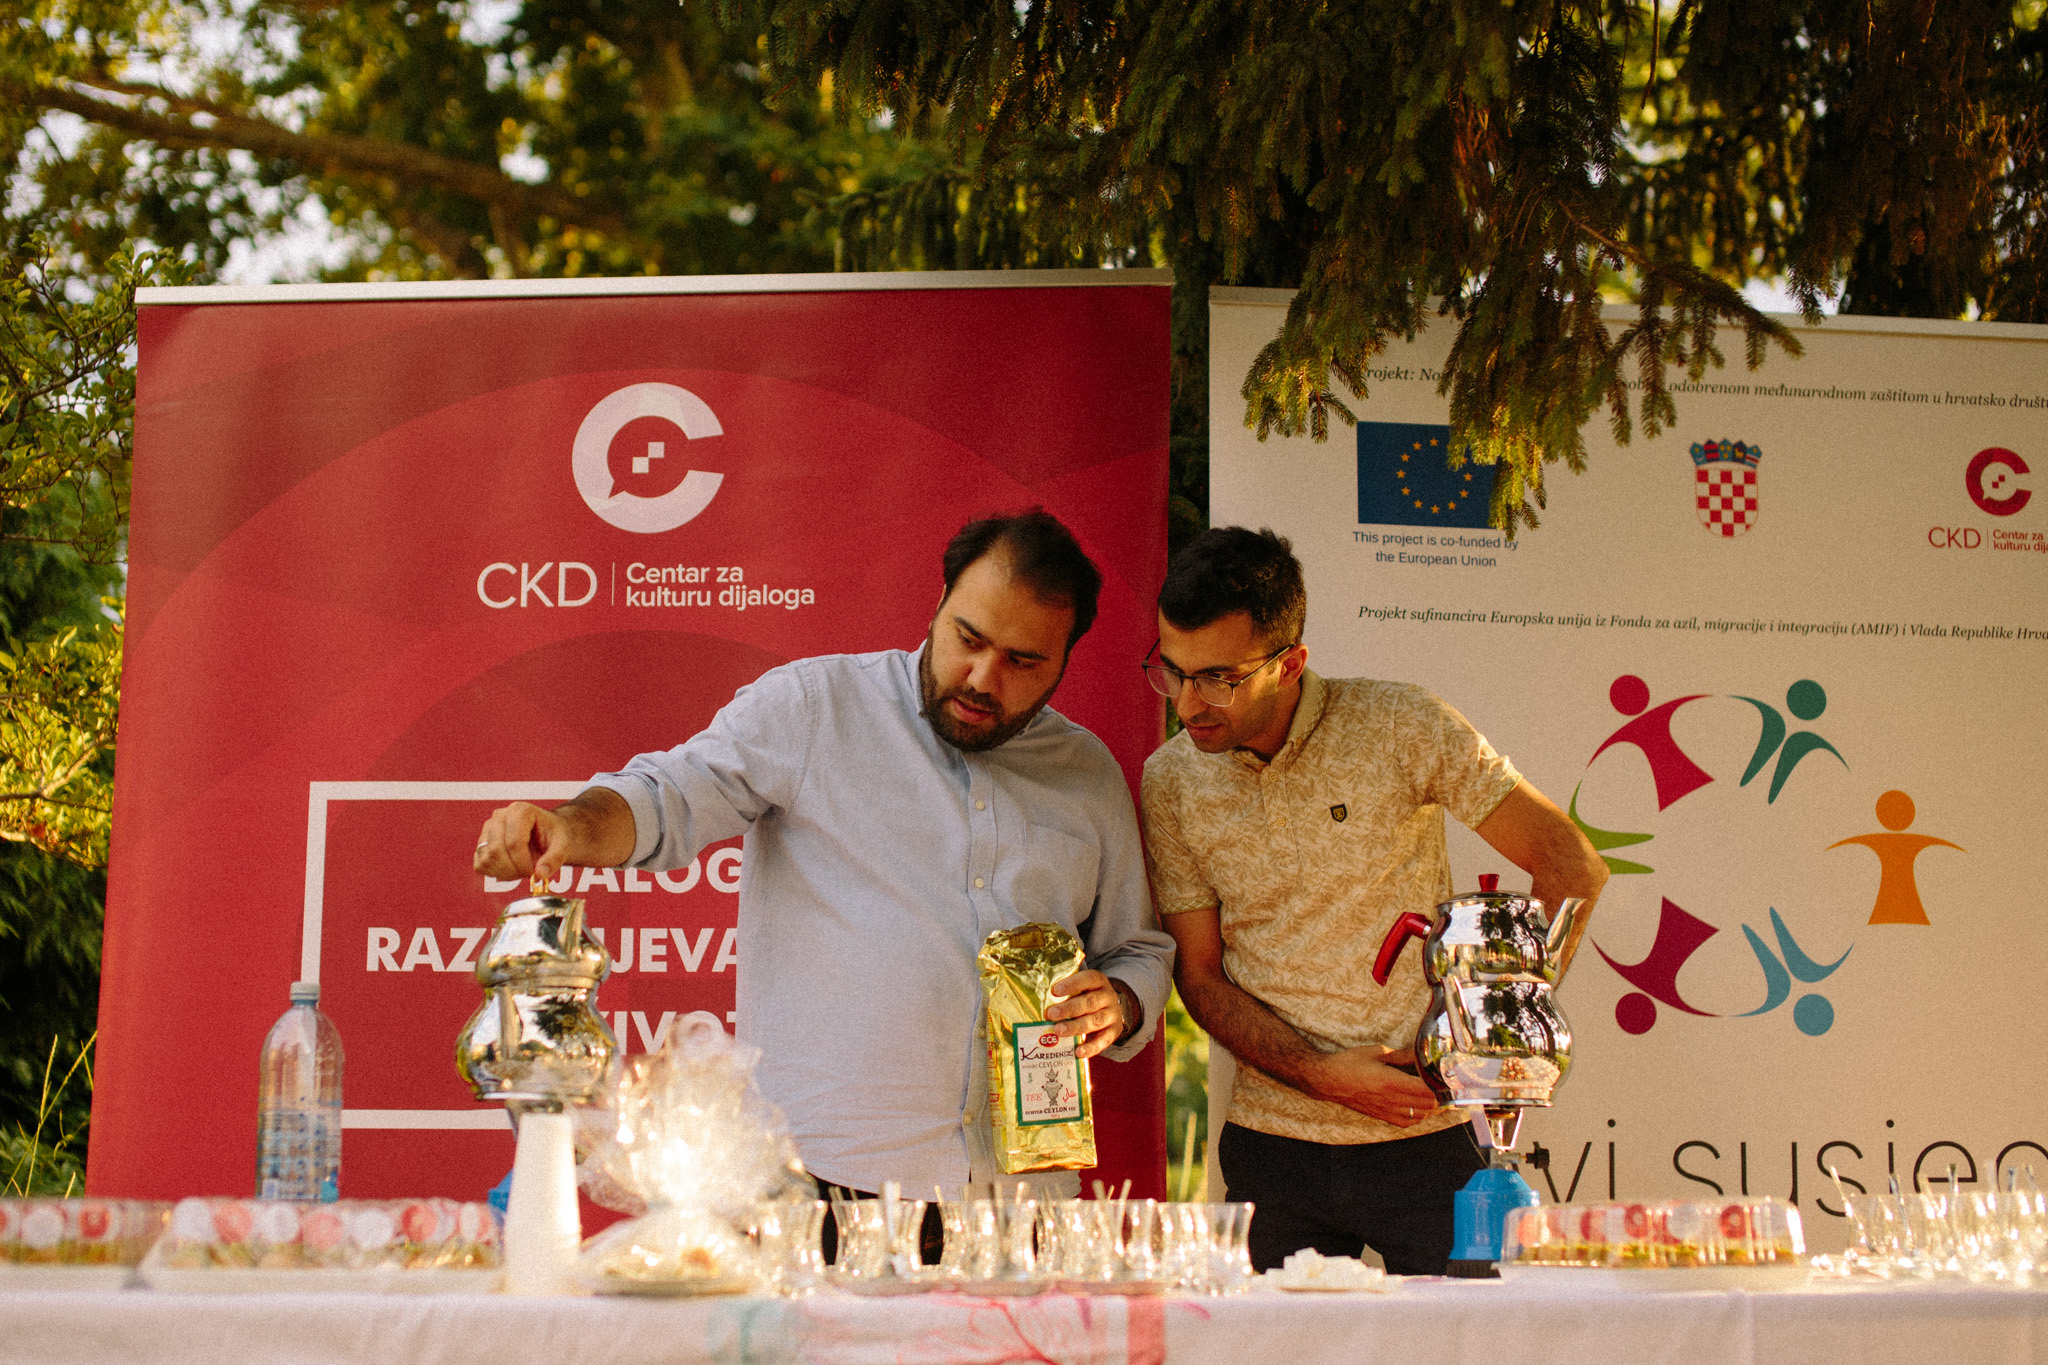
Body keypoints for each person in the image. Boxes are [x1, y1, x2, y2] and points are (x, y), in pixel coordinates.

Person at [473, 509, 1174, 1204]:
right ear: (938, 603)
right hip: (823, 1188)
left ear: (1064, 659)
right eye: (969, 639)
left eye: (1023, 661)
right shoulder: (815, 707)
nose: (983, 678)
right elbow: (672, 795)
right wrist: (569, 826)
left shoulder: (1087, 774)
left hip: (1022, 1203)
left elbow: (1137, 949)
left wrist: (1120, 1003)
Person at [1138, 527, 1607, 1275]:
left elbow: (1570, 864)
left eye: (1218, 678)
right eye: (1173, 670)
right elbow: (1199, 976)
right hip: (1270, 1152)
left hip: (1427, 1137)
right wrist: (1319, 1073)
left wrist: (1482, 1031)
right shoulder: (1170, 780)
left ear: (1290, 663)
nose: (1190, 702)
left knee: (1471, 1337)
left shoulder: (1400, 722)